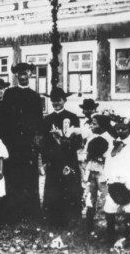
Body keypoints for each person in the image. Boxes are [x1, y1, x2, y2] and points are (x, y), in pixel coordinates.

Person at [0, 62, 43, 222]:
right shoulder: (9, 94)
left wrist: (35, 138)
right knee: (13, 175)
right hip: (12, 142)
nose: (23, 76)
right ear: (16, 76)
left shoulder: (35, 97)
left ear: (30, 74)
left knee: (29, 175)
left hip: (28, 143)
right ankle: (12, 211)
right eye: (20, 74)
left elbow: (38, 121)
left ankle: (30, 211)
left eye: (26, 73)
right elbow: (2, 118)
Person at [41, 87, 82, 226]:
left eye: (58, 100)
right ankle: (53, 219)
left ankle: (70, 218)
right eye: (53, 101)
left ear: (64, 100)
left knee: (69, 187)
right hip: (53, 160)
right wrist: (45, 160)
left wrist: (65, 143)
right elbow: (44, 143)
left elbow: (77, 141)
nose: (55, 103)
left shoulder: (72, 117)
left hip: (68, 158)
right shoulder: (47, 119)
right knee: (53, 188)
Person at [104, 119, 130, 246]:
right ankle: (110, 234)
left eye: (123, 128)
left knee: (129, 208)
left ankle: (128, 235)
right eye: (118, 128)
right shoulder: (114, 144)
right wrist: (109, 179)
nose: (120, 131)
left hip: (128, 182)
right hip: (114, 182)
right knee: (110, 207)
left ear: (129, 129)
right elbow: (108, 163)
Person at [84, 114, 115, 233]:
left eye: (94, 123)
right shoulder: (91, 137)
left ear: (102, 125)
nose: (91, 125)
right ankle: (89, 224)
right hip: (92, 170)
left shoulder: (109, 139)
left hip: (103, 172)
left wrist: (99, 157)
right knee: (90, 196)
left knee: (104, 197)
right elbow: (86, 152)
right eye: (91, 123)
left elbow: (110, 156)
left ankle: (104, 224)